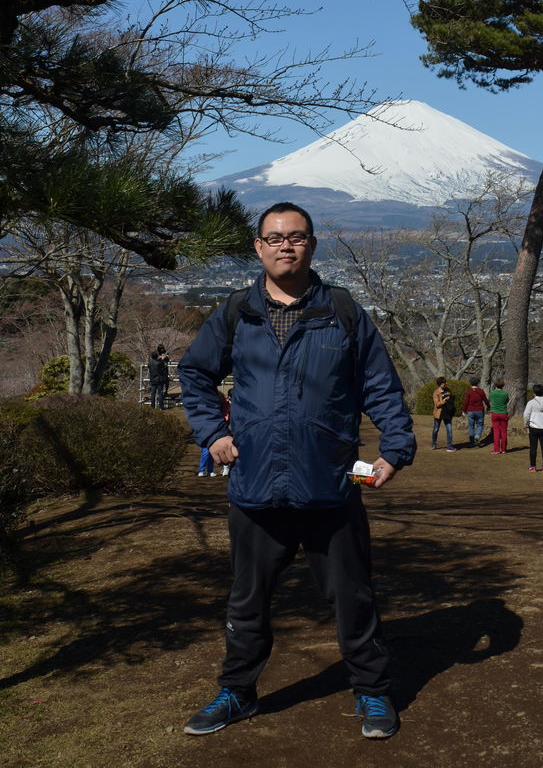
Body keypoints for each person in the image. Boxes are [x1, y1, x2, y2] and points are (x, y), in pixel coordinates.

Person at [179, 202, 415, 742]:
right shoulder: (237, 311)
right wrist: (213, 435)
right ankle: (237, 691)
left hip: (330, 485)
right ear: (258, 247)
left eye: (298, 237)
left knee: (354, 598)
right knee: (247, 600)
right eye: (275, 237)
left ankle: (373, 690)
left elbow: (381, 387)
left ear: (313, 244)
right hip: (255, 486)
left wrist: (395, 448)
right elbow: (195, 373)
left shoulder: (344, 311)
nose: (286, 245)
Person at [523, 384, 543, 472]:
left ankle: (533, 466)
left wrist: (526, 425)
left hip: (533, 427)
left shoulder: (531, 402)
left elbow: (526, 415)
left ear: (534, 392)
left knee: (533, 447)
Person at [462, 378, 490, 447]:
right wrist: (488, 406)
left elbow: (466, 402)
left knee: (471, 426)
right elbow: (486, 400)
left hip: (470, 411)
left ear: (470, 383)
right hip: (479, 410)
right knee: (480, 425)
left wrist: (463, 411)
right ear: (478, 383)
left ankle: (471, 441)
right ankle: (477, 436)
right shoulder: (481, 391)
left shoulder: (468, 392)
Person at [431, 376, 457, 451]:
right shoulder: (436, 392)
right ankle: (434, 443)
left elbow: (452, 399)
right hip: (439, 413)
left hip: (447, 413)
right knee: (436, 429)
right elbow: (437, 404)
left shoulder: (448, 390)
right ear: (440, 384)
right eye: (444, 382)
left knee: (449, 430)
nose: (446, 383)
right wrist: (444, 400)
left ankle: (449, 446)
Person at [489, 377, 510, 455]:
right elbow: (507, 401)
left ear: (495, 385)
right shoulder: (505, 393)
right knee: (504, 431)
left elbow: (490, 399)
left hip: (494, 413)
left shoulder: (492, 393)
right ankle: (504, 449)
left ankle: (496, 449)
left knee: (496, 432)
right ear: (503, 385)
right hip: (503, 413)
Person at [147, 344, 169, 410]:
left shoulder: (150, 363)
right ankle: (161, 407)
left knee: (152, 394)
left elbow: (149, 365)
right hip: (159, 380)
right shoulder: (159, 363)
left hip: (153, 380)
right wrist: (163, 358)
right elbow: (164, 366)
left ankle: (152, 407)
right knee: (160, 394)